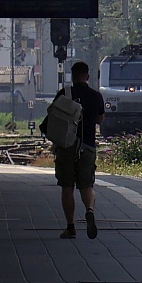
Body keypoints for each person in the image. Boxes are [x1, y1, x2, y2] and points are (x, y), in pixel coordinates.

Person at [54, 61, 105, 239]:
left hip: (67, 146)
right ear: (87, 76)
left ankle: (70, 227)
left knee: (67, 186)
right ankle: (89, 209)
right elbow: (99, 120)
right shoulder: (96, 96)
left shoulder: (64, 94)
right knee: (87, 185)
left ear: (72, 76)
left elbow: (53, 118)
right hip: (88, 146)